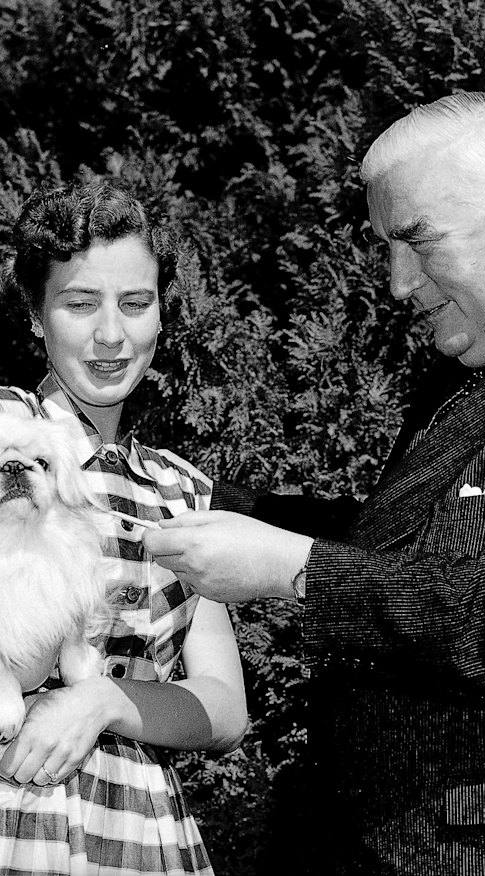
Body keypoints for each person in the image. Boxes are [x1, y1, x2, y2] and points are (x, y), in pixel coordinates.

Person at [143, 90, 485, 875]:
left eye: (418, 243)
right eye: (387, 247)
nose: (397, 283)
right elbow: (411, 549)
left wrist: (296, 571)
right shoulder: (473, 360)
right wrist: (198, 500)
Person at [0, 181, 248, 876]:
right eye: (80, 304)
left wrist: (103, 700)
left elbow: (225, 709)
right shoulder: (5, 437)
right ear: (34, 314)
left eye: (136, 304)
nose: (112, 334)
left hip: (138, 833)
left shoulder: (182, 490)